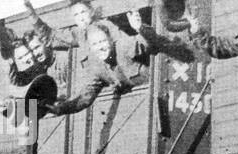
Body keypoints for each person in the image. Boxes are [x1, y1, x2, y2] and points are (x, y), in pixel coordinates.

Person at [48, 13, 192, 120]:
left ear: (111, 40)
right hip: (144, 110)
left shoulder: (124, 46)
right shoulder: (96, 67)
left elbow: (147, 42)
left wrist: (140, 28)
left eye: (103, 42)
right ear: (91, 48)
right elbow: (85, 98)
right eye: (95, 45)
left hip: (171, 89)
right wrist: (60, 108)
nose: (100, 47)